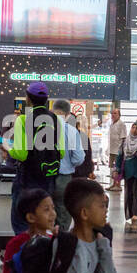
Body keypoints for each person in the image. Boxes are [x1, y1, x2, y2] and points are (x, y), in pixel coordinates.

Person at [5, 82, 65, 235]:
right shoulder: (56, 120)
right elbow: (62, 152)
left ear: (28, 99)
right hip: (48, 179)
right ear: (46, 99)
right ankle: (42, 249)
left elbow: (21, 153)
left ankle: (26, 251)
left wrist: (7, 148)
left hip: (27, 179)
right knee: (43, 218)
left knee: (21, 221)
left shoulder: (24, 120)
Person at [51, 99, 86, 230]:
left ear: (52, 110)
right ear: (67, 114)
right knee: (63, 215)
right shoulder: (71, 131)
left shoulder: (40, 127)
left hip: (42, 178)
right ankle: (59, 245)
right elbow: (78, 158)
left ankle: (44, 244)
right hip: (63, 179)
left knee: (44, 213)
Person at [105, 108, 127, 191]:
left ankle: (118, 185)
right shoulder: (112, 124)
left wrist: (121, 151)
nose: (113, 115)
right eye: (112, 113)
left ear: (119, 115)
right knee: (112, 168)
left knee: (117, 168)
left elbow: (123, 138)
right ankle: (113, 184)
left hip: (118, 150)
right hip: (112, 149)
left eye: (115, 113)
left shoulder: (122, 124)